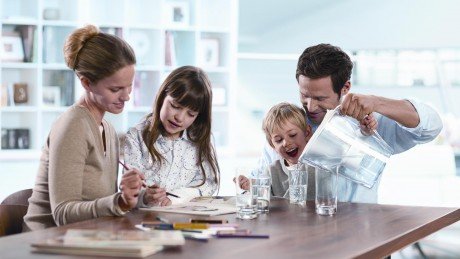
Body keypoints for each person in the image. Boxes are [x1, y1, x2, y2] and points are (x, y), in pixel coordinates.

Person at [258, 43, 443, 203]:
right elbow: (260, 183)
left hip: (357, 230)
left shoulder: (368, 121)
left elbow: (431, 127)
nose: (311, 106)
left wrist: (377, 103)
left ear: (345, 88)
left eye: (320, 98)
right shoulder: (287, 129)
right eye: (304, 95)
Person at [23, 25, 145, 231]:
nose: (126, 96)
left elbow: (99, 201)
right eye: (115, 89)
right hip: (46, 241)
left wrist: (139, 195)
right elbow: (62, 213)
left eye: (129, 86)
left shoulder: (108, 129)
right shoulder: (73, 125)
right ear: (86, 83)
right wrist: (119, 202)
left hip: (87, 237)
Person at [124, 66, 220, 207]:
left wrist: (179, 197)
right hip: (146, 221)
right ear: (163, 97)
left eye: (191, 114)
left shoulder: (200, 139)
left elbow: (209, 185)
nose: (180, 118)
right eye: (175, 105)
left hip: (186, 220)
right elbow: (127, 192)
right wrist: (145, 197)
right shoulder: (136, 137)